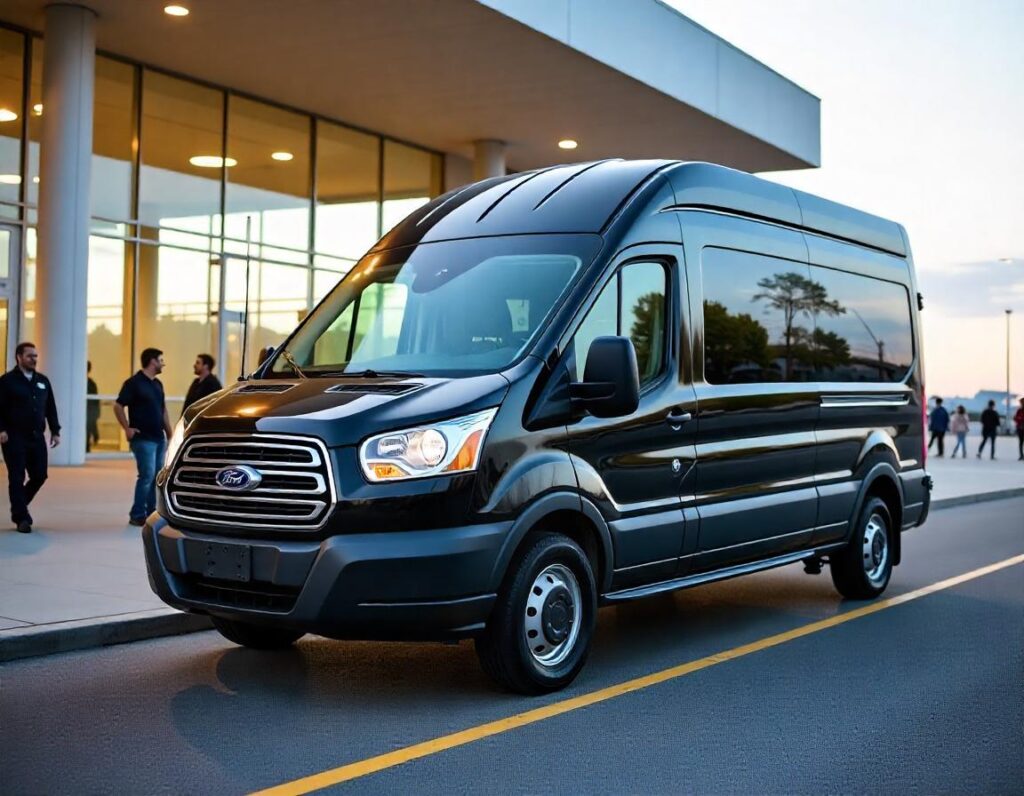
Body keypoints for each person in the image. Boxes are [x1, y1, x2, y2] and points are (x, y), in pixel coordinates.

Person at [0, 342, 61, 533]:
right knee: (17, 477)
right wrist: (1, 429)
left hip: (36, 437)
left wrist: (55, 430)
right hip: (14, 437)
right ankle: (21, 518)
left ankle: (19, 505)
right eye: (30, 356)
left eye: (35, 356)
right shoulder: (7, 381)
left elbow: (50, 407)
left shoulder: (42, 381)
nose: (34, 359)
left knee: (40, 475)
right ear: (19, 357)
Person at [114, 348, 173, 526]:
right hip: (143, 439)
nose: (163, 363)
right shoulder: (134, 383)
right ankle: (137, 514)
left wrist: (170, 433)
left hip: (158, 438)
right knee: (146, 475)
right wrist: (127, 428)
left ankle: (151, 512)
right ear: (152, 361)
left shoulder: (158, 384)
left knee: (156, 477)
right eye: (161, 360)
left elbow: (162, 410)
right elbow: (118, 406)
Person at [86, 360, 100, 453]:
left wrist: (95, 414)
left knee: (87, 435)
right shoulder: (90, 384)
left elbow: (95, 401)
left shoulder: (91, 384)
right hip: (86, 414)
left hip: (89, 414)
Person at [1015, 396, 1024, 462]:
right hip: (1020, 428)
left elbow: (1016, 418)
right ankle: (1021, 455)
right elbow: (1016, 418)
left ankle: (1021, 455)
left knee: (1021, 443)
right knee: (1021, 442)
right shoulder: (1019, 410)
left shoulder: (1019, 410)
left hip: (1020, 428)